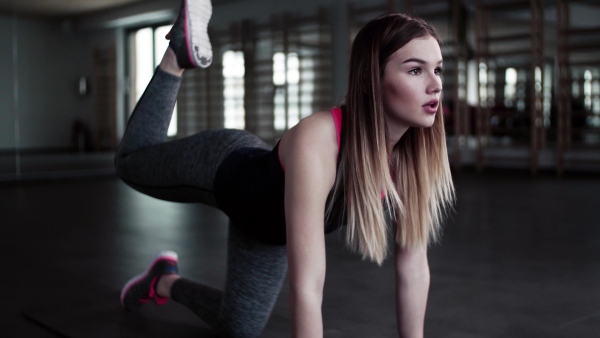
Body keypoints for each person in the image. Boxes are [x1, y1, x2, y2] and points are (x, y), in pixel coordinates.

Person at [115, 0, 455, 336]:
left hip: (267, 228)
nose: (435, 84)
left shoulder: (412, 159)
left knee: (240, 327)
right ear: (370, 80)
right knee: (129, 163)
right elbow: (307, 287)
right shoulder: (320, 140)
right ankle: (176, 57)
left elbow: (413, 268)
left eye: (437, 69)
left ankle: (162, 280)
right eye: (415, 70)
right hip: (224, 168)